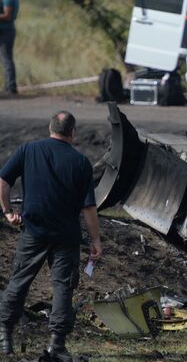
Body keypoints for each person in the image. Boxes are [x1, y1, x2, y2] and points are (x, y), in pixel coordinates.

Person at [0, 111, 102, 361]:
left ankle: (4, 336)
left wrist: (7, 212)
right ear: (73, 133)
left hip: (33, 230)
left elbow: (3, 182)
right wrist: (95, 240)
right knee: (63, 288)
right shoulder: (81, 162)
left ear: (50, 128)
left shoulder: (28, 150)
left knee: (19, 282)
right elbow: (88, 207)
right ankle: (57, 344)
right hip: (66, 236)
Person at [0, 0, 19, 94]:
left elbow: (7, 16)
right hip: (6, 30)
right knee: (5, 59)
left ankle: (11, 87)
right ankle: (8, 85)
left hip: (5, 31)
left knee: (6, 59)